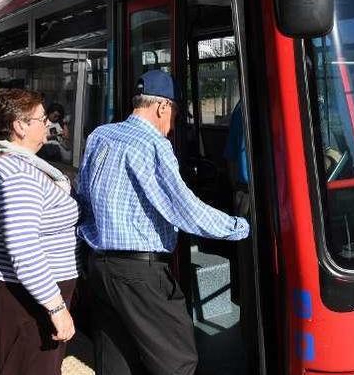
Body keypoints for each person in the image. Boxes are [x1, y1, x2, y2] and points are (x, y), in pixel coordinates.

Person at [77, 70, 250, 375]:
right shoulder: (154, 144)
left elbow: (83, 198)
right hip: (140, 275)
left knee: (115, 359)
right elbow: (184, 209)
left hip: (100, 267)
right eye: (174, 113)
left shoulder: (100, 135)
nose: (172, 124)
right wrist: (241, 227)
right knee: (178, 360)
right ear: (162, 107)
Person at [0, 89, 79, 375]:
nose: (47, 124)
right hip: (28, 302)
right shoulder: (17, 176)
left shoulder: (15, 165)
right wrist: (56, 309)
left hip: (24, 296)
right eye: (41, 119)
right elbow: (24, 250)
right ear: (19, 126)